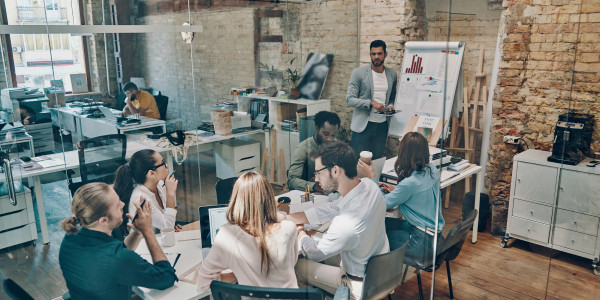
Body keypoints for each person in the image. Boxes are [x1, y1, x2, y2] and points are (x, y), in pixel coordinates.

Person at [295, 141, 389, 300]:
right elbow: (334, 207)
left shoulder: (346, 222)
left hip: (358, 286)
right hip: (381, 273)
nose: (316, 178)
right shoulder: (370, 186)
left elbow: (314, 253)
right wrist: (293, 216)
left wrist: (300, 231)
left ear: (336, 170)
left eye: (318, 172)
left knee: (299, 265)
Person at [59, 182, 177, 300]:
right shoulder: (117, 259)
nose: (123, 204)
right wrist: (148, 231)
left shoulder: (69, 239)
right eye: (117, 205)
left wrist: (137, 232)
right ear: (103, 221)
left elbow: (116, 256)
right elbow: (166, 277)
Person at [196, 171, 299, 291]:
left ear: (236, 200)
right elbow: (289, 264)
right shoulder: (289, 228)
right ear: (270, 198)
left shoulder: (228, 235)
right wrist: (279, 215)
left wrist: (241, 272)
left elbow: (202, 285)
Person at [357, 131, 444, 259]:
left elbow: (382, 203)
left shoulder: (409, 184)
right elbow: (416, 192)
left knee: (371, 238)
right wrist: (398, 191)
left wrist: (371, 176)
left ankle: (372, 274)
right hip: (433, 237)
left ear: (404, 154)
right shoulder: (432, 169)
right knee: (378, 224)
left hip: (421, 242)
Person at [346, 40, 398, 160]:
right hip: (363, 126)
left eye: (379, 54)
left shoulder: (392, 74)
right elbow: (349, 99)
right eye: (373, 54)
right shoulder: (358, 73)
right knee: (358, 162)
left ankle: (373, 180)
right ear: (370, 55)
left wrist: (390, 106)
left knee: (376, 160)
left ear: (385, 54)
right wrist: (371, 103)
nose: (376, 57)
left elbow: (392, 97)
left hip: (382, 126)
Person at [113, 149, 180, 238]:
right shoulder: (141, 198)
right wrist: (170, 194)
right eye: (163, 163)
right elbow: (167, 226)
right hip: (146, 246)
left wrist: (171, 224)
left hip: (160, 237)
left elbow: (166, 223)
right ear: (151, 173)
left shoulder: (159, 185)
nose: (166, 165)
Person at [286, 111, 341, 193]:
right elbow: (291, 181)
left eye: (333, 135)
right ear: (317, 128)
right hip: (309, 194)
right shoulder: (303, 148)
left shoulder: (335, 145)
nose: (330, 139)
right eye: (326, 134)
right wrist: (314, 186)